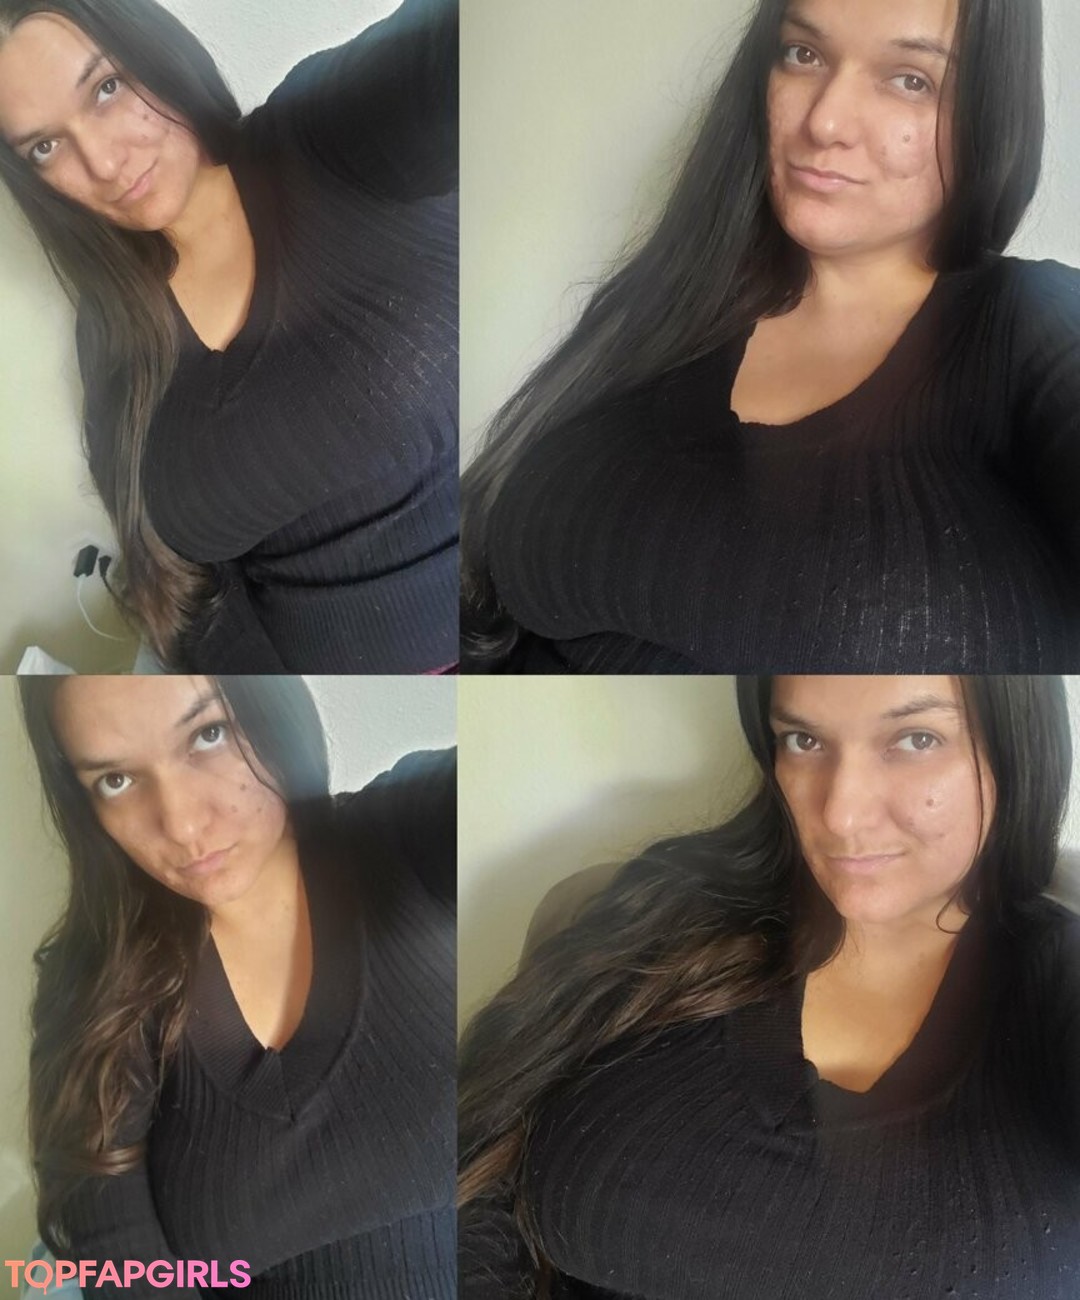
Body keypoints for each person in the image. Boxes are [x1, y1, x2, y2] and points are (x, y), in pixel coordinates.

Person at [460, 0, 1080, 673]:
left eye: (911, 80)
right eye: (803, 54)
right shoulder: (667, 305)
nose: (825, 121)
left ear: (988, 112)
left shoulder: (1036, 324)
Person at [458, 675, 1080, 1298]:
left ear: (1015, 747)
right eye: (804, 740)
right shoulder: (664, 911)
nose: (840, 814)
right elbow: (478, 1157)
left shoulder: (1054, 987)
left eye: (916, 739)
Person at [0, 0, 458, 672]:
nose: (102, 162)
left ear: (157, 52)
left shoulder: (327, 137)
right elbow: (183, 587)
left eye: (106, 87)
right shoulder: (111, 337)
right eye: (44, 146)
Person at [19, 674, 456, 1298]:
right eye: (115, 779)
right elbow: (119, 1266)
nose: (182, 825)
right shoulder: (96, 986)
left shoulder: (405, 834)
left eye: (209, 734)